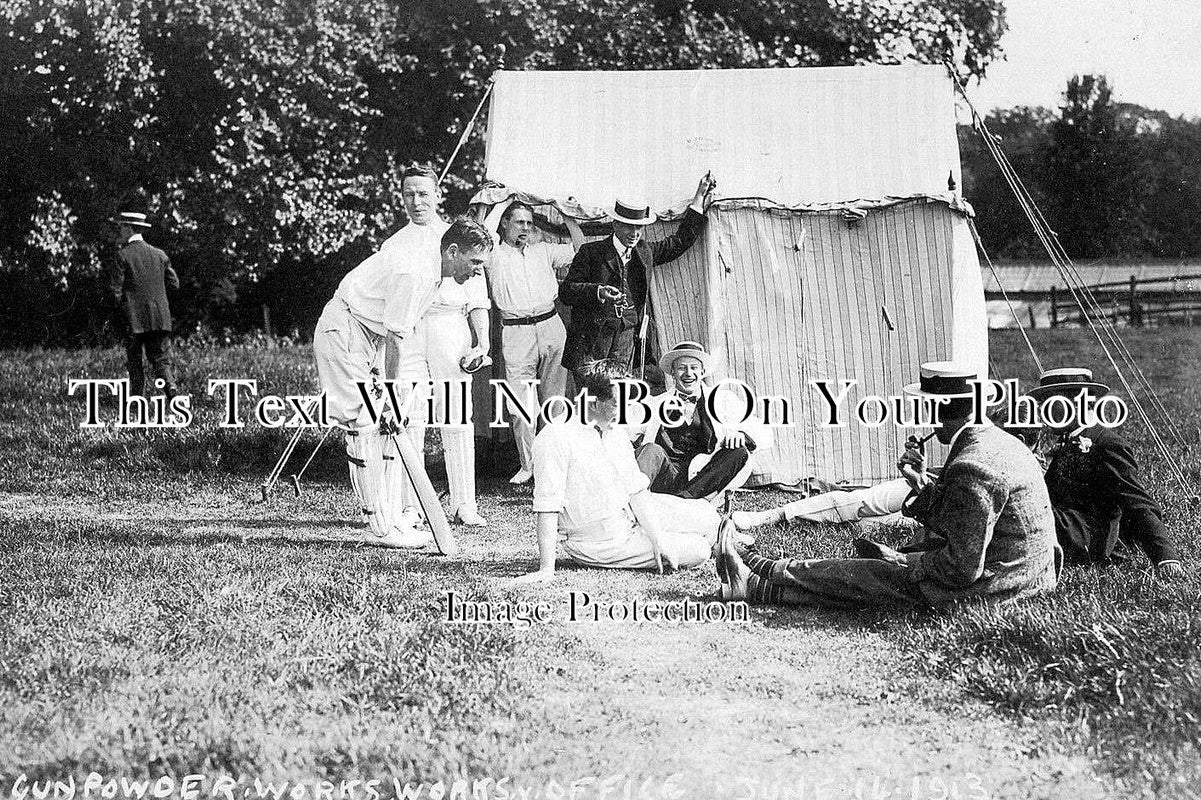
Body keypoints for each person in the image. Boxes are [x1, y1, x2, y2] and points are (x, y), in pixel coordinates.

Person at [717, 362, 1061, 609]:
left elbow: (960, 571)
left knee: (876, 575)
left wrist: (906, 561)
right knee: (877, 580)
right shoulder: (999, 442)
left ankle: (770, 568)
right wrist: (919, 483)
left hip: (998, 588)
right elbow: (964, 522)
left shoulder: (974, 465)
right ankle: (756, 587)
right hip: (1025, 575)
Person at [312, 218, 491, 548]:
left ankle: (391, 519)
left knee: (388, 426)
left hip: (367, 335)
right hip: (344, 330)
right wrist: (392, 398)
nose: (478, 271)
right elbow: (396, 337)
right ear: (453, 251)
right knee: (364, 424)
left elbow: (392, 331)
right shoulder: (417, 273)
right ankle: (380, 528)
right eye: (475, 261)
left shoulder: (433, 271)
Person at [512, 359, 725, 584]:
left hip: (628, 514)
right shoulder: (555, 436)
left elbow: (636, 490)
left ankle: (725, 541)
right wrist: (546, 569)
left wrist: (658, 538)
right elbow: (547, 506)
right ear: (593, 403)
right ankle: (721, 544)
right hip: (599, 541)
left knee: (708, 516)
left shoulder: (614, 431)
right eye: (617, 404)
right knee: (698, 549)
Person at [383, 166, 493, 526]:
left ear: (437, 194)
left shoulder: (458, 237)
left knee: (456, 415)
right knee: (410, 415)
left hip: (450, 325)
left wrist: (482, 342)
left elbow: (477, 299)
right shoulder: (394, 244)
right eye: (409, 194)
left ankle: (464, 503)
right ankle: (412, 505)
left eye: (424, 194)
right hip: (410, 330)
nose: (416, 202)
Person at [1027, 368, 1184, 577]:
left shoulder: (1106, 444)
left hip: (1082, 542)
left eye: (1050, 403)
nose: (1044, 413)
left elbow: (1138, 503)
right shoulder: (1066, 440)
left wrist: (1165, 557)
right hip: (1065, 529)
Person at [559, 174, 716, 379]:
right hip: (591, 343)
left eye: (639, 227)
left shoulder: (645, 252)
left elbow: (679, 242)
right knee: (591, 395)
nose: (634, 233)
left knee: (621, 394)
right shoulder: (591, 252)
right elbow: (567, 292)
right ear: (615, 224)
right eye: (628, 226)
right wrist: (598, 291)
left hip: (626, 342)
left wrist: (699, 199)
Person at [482, 199, 584, 485]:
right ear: (505, 224)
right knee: (520, 405)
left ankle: (554, 463)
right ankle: (528, 465)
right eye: (519, 222)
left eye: (529, 222)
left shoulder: (544, 250)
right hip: (516, 330)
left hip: (550, 324)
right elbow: (485, 233)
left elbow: (580, 248)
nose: (525, 228)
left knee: (555, 400)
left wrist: (567, 215)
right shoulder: (493, 254)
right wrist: (504, 201)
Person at [630, 340, 772, 502]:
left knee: (739, 451)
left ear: (703, 372)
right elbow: (622, 429)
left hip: (701, 478)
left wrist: (740, 434)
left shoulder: (722, 401)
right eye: (682, 368)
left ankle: (687, 502)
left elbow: (764, 432)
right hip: (664, 476)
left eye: (694, 368)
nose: (688, 373)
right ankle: (632, 503)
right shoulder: (655, 404)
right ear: (672, 373)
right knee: (651, 450)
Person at [107, 209, 179, 397]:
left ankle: (137, 399)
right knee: (161, 359)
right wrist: (158, 300)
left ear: (129, 228)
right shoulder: (160, 255)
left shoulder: (123, 255)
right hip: (159, 317)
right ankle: (171, 389)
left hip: (133, 319)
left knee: (134, 361)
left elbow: (114, 292)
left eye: (121, 227)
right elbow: (174, 284)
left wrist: (121, 312)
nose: (120, 231)